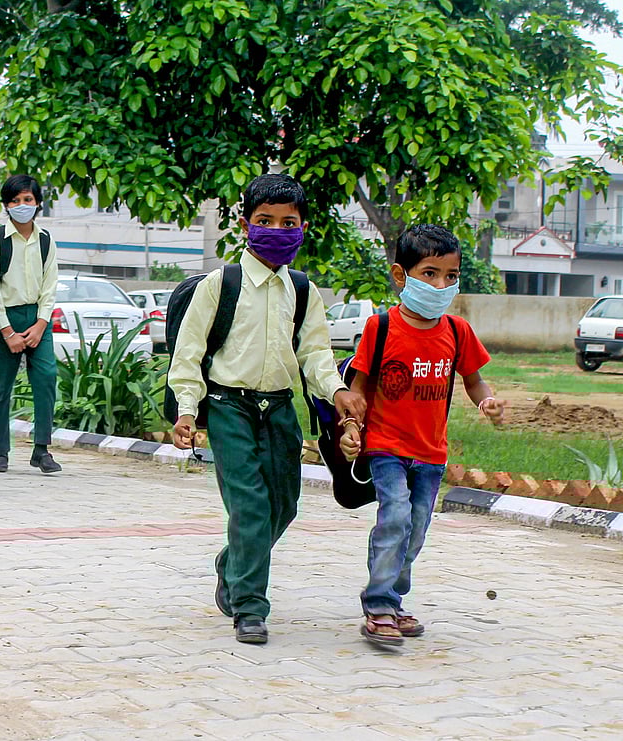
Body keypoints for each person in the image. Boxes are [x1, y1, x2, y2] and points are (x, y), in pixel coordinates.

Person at [169, 173, 365, 645]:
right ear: (244, 224)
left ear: (302, 227)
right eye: (265, 221)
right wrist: (187, 410)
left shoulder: (302, 290)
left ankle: (231, 563)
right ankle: (250, 607)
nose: (276, 230)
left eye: (288, 222)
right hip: (228, 406)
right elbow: (189, 353)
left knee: (285, 505)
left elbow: (315, 353)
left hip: (279, 409)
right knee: (251, 506)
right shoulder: (220, 284)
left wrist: (337, 391)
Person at [339, 224, 504, 646]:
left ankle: (393, 598)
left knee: (416, 527)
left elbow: (474, 381)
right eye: (430, 273)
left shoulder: (456, 331)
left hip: (431, 452)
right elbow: (358, 389)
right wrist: (352, 428)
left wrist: (487, 402)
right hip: (386, 446)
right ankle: (378, 604)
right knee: (394, 516)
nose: (441, 284)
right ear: (401, 276)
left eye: (450, 276)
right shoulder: (381, 328)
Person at [0, 174, 61, 474]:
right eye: (15, 201)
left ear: (38, 203)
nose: (22, 205)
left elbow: (50, 284)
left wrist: (41, 324)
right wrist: (7, 332)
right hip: (5, 319)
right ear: (6, 205)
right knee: (1, 387)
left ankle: (42, 449)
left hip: (38, 319)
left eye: (27, 199)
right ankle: (0, 451)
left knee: (46, 377)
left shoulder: (45, 240)